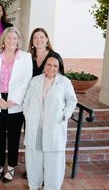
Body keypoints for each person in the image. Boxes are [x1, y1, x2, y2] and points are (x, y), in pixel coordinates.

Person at [23, 55, 77, 190]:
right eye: (49, 65)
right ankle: (34, 185)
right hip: (35, 126)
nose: (51, 68)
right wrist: (28, 115)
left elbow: (72, 101)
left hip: (54, 127)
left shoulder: (64, 82)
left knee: (54, 161)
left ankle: (52, 187)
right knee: (34, 159)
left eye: (55, 66)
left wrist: (65, 115)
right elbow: (26, 101)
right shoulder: (35, 80)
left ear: (59, 68)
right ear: (44, 66)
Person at [0, 27, 33, 183]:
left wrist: (13, 101)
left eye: (15, 38)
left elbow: (26, 81)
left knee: (13, 137)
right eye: (9, 38)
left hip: (16, 102)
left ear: (18, 41)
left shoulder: (26, 57)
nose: (12, 41)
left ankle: (11, 167)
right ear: (3, 40)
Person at [22, 27, 65, 179]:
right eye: (35, 38)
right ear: (32, 42)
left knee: (48, 139)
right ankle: (33, 171)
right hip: (33, 106)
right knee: (33, 139)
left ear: (47, 39)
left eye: (42, 37)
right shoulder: (28, 57)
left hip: (51, 108)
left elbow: (61, 81)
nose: (39, 40)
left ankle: (47, 171)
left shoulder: (54, 57)